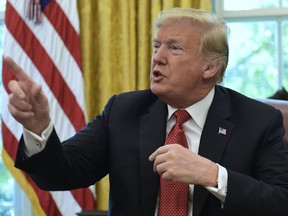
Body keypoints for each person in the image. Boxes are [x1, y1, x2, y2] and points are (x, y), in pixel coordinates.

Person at [5, 7, 288, 216]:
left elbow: (279, 202)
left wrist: (213, 175)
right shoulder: (123, 111)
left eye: (174, 48)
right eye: (156, 46)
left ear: (209, 67)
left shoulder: (258, 121)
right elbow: (60, 174)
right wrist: (39, 127)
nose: (158, 57)